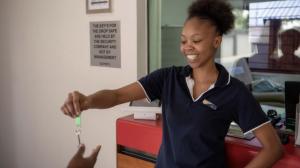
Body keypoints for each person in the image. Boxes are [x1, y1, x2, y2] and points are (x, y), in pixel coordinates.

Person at [61, 0, 283, 167]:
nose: (187, 47)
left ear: (217, 41)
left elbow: (273, 148)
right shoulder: (168, 78)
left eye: (196, 41)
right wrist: (88, 101)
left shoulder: (234, 91)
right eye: (183, 40)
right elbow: (117, 95)